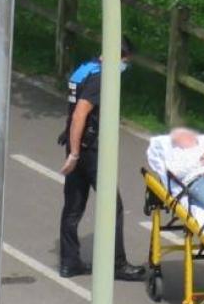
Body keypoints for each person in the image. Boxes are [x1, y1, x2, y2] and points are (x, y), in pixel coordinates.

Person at [57, 38, 146, 280]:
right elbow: (79, 115)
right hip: (90, 151)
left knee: (73, 208)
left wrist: (72, 150)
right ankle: (117, 264)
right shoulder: (101, 78)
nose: (125, 67)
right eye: (125, 61)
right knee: (112, 207)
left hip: (76, 146)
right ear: (118, 56)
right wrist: (76, 153)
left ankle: (69, 262)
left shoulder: (84, 69)